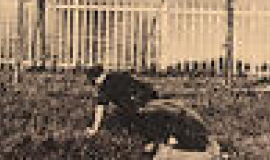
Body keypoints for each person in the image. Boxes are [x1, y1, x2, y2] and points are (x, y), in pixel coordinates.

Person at [84, 64, 213, 152]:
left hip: (139, 106)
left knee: (146, 121)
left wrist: (94, 129)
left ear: (95, 79)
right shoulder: (118, 76)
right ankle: (173, 138)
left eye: (93, 81)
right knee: (171, 113)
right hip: (150, 98)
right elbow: (142, 86)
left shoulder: (104, 88)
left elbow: (100, 108)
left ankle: (164, 142)